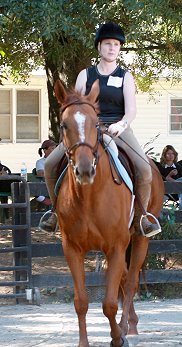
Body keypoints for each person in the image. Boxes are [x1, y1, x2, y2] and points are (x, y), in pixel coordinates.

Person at [39, 21, 161, 237]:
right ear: (99, 47)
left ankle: (142, 217)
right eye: (107, 44)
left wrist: (121, 125)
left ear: (120, 48)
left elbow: (131, 110)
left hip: (117, 129)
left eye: (116, 44)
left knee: (143, 168)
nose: (112, 48)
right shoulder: (86, 75)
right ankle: (55, 211)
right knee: (49, 164)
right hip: (86, 130)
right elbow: (74, 105)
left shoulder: (126, 77)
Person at [158, 145, 182, 210]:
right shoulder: (161, 167)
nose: (171, 156)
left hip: (180, 190)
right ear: (164, 155)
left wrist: (174, 181)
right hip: (168, 190)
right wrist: (170, 176)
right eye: (168, 153)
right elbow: (161, 181)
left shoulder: (178, 166)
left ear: (175, 155)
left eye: (172, 153)